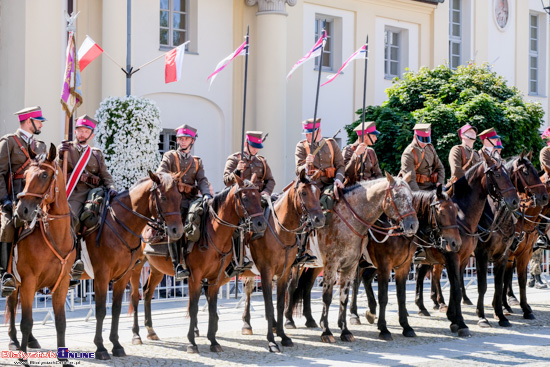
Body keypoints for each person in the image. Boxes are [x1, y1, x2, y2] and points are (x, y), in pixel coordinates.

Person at [58, 115, 117, 284]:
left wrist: (111, 187)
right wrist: (60, 156)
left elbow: (105, 175)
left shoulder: (96, 154)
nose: (82, 134)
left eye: (86, 131)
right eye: (80, 131)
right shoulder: (67, 149)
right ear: (75, 131)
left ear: (91, 134)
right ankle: (75, 261)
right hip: (74, 193)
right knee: (73, 219)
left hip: (94, 194)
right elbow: (58, 168)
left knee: (110, 221)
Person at [0, 106, 47, 296]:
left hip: (36, 199)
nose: (41, 124)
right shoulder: (9, 142)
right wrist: (4, 199)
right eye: (39, 121)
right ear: (29, 122)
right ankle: (5, 274)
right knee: (6, 227)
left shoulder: (41, 146)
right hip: (13, 197)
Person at [157, 124, 211, 280]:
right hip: (175, 200)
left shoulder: (196, 161)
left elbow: (202, 180)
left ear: (192, 141)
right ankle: (177, 265)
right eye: (180, 139)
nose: (182, 141)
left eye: (186, 139)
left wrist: (206, 194)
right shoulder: (170, 156)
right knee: (175, 226)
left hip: (192, 199)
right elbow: (161, 173)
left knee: (207, 217)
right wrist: (174, 183)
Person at [223, 131, 275, 276]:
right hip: (241, 201)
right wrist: (237, 171)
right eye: (253, 146)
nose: (256, 149)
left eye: (258, 147)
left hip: (258, 200)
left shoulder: (261, 161)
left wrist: (266, 192)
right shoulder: (235, 159)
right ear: (246, 144)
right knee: (236, 227)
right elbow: (226, 180)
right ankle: (236, 259)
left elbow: (271, 180)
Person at [295, 118, 345, 264]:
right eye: (306, 133)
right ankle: (302, 247)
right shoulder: (302, 146)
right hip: (311, 186)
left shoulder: (331, 143)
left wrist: (338, 179)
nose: (307, 136)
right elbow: (297, 169)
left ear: (319, 131)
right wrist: (306, 164)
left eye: (310, 133)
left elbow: (340, 165)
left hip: (329, 184)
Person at [400, 123, 445, 262]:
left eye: (427, 140)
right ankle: (418, 248)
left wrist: (440, 185)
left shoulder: (430, 148)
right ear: (415, 136)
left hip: (431, 188)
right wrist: (422, 198)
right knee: (418, 215)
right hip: (416, 190)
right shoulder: (409, 153)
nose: (425, 143)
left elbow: (440, 167)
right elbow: (411, 180)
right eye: (422, 140)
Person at [342, 121, 383, 186]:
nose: (376, 138)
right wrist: (356, 155)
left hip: (370, 189)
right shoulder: (349, 149)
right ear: (365, 137)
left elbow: (378, 174)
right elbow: (346, 173)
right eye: (373, 136)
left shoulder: (371, 152)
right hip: (353, 190)